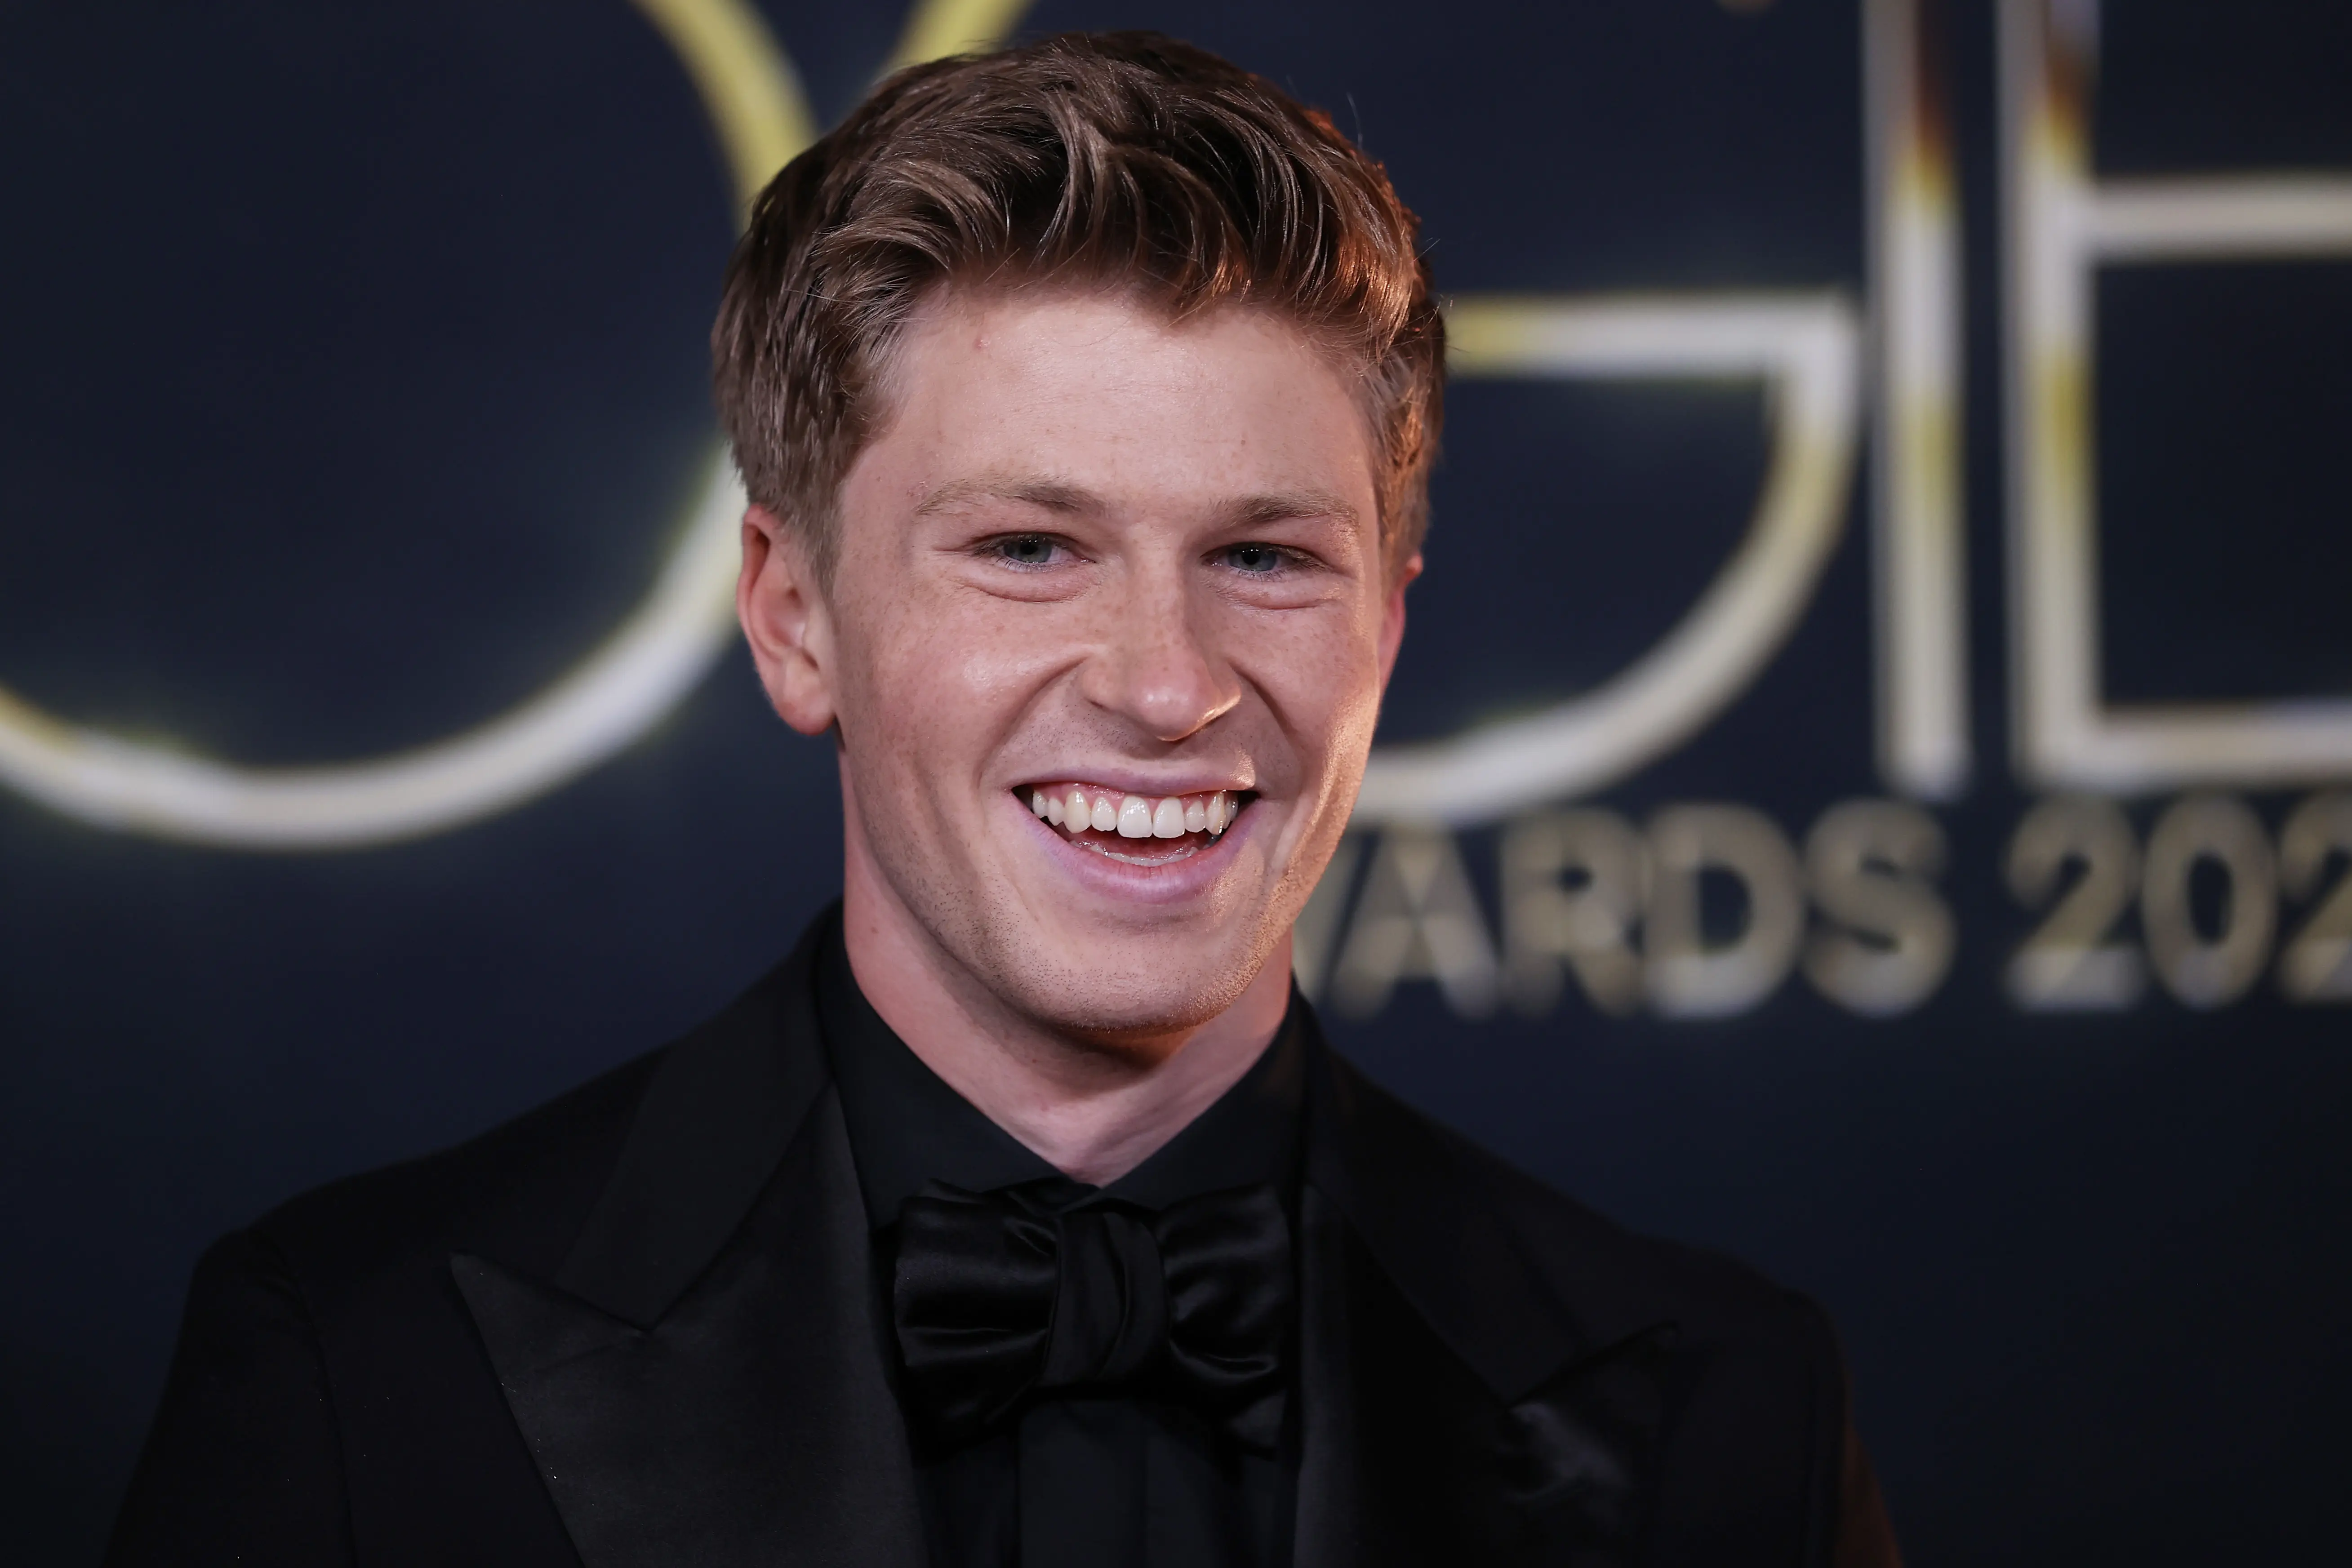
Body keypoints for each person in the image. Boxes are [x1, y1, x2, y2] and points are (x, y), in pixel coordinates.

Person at [109, 31, 1900, 1568]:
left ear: (1390, 622)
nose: (1163, 680)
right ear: (793, 615)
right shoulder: (359, 1367)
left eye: (1266, 555)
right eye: (1030, 548)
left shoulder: (1721, 1412)